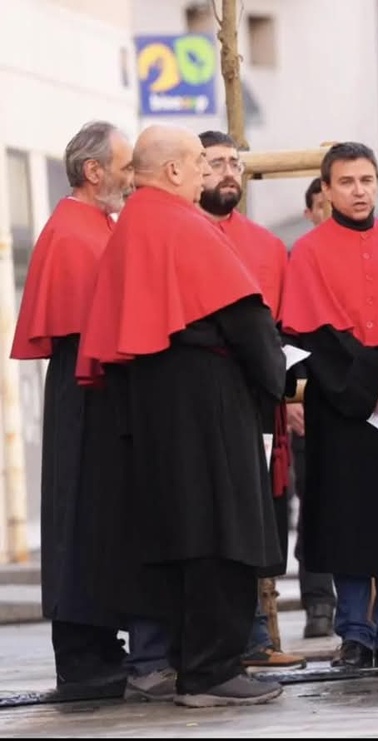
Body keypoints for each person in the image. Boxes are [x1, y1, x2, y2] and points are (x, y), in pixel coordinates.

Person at [76, 123, 286, 706]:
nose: (204, 175)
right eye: (200, 164)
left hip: (154, 408)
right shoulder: (180, 222)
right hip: (207, 406)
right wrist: (277, 379)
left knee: (183, 534)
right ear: (172, 170)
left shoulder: (131, 225)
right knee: (221, 532)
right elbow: (244, 316)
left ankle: (189, 665)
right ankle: (212, 672)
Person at [281, 142, 378, 669]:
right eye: (346, 182)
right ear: (326, 190)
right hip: (340, 403)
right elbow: (312, 334)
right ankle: (354, 632)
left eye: (367, 180)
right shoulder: (307, 252)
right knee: (345, 518)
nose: (359, 191)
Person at [10, 120, 139, 699]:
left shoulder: (100, 224)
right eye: (124, 166)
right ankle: (85, 656)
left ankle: (103, 645)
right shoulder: (71, 232)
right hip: (85, 387)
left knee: (103, 519)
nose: (130, 177)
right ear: (94, 171)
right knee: (81, 518)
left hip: (102, 384)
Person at [197, 130, 305, 670]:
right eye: (216, 163)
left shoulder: (266, 244)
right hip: (200, 402)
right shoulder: (185, 234)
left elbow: (283, 329)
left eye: (235, 164)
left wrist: (291, 394)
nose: (228, 172)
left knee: (256, 515)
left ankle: (256, 635)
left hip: (259, 400)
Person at [290, 176, 339, 640]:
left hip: (363, 402)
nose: (328, 211)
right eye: (320, 205)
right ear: (308, 213)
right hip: (311, 403)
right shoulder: (296, 261)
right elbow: (287, 342)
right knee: (314, 506)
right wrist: (293, 399)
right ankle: (319, 602)